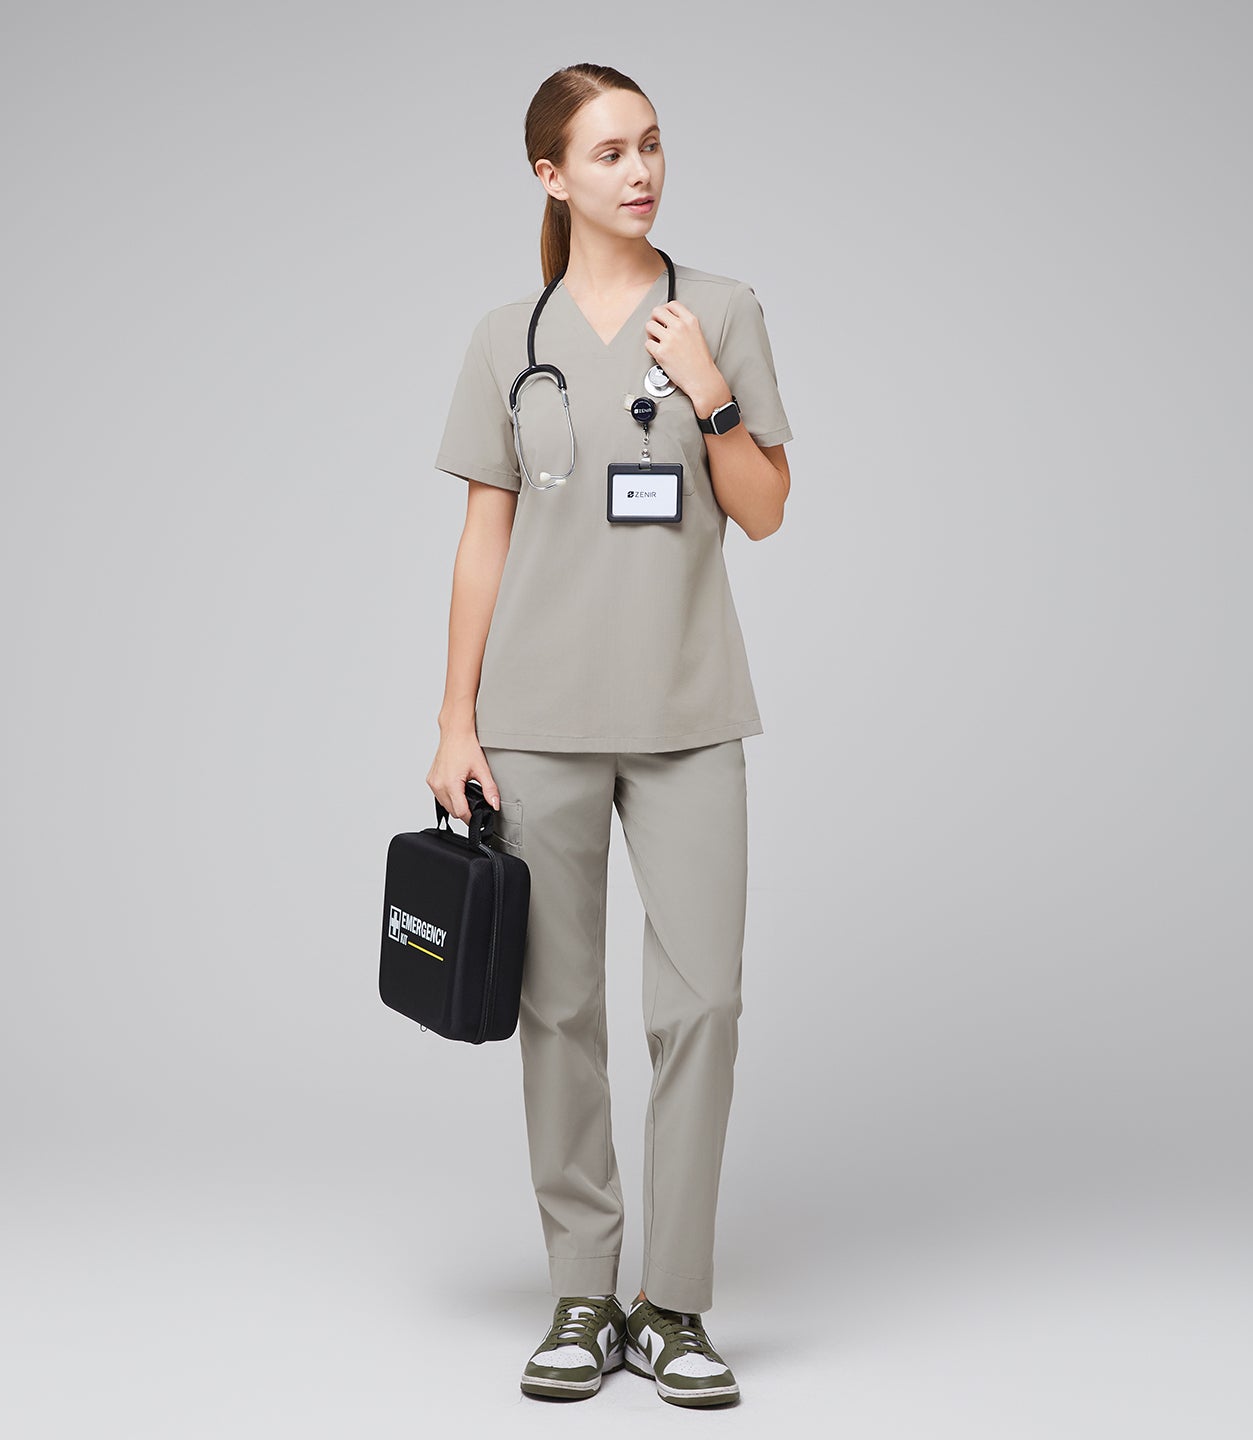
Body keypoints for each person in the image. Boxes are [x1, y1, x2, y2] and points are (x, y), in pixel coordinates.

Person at [427, 62, 793, 1408]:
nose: (641, 171)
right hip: (539, 727)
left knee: (703, 1009)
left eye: (652, 147)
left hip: (690, 716)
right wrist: (456, 720)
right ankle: (584, 1292)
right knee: (559, 1012)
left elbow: (761, 509)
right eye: (610, 152)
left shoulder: (725, 315)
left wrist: (708, 392)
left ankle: (674, 1303)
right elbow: (484, 540)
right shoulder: (503, 337)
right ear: (551, 176)